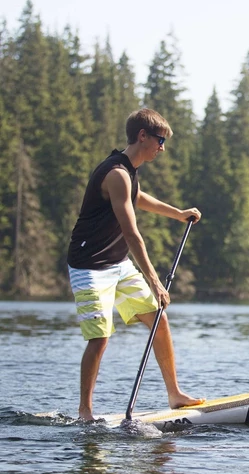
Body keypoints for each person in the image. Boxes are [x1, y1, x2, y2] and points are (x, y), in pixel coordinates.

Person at [67, 108, 204, 421]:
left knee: (159, 319)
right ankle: (85, 411)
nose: (162, 147)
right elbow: (132, 234)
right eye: (159, 140)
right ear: (142, 136)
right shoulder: (115, 173)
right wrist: (156, 282)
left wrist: (178, 213)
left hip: (117, 262)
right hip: (89, 267)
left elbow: (139, 198)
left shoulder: (130, 172)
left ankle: (175, 394)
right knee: (100, 336)